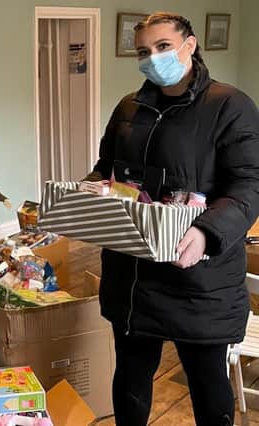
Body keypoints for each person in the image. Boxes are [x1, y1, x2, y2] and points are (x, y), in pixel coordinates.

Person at [88, 12, 259, 426]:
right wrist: (92, 187)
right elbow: (107, 167)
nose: (153, 58)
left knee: (207, 385)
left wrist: (206, 231)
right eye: (143, 51)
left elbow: (248, 184)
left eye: (163, 47)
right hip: (132, 275)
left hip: (199, 281)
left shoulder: (229, 105)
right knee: (130, 379)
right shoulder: (130, 107)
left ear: (190, 45)